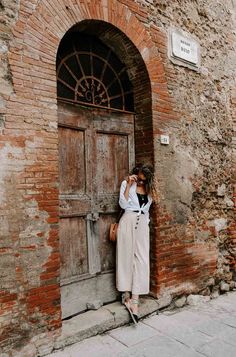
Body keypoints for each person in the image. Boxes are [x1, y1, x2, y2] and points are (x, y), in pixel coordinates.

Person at [116, 163, 158, 323]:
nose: (140, 183)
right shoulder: (127, 184)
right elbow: (123, 204)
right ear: (135, 174)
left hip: (142, 225)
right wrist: (129, 185)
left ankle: (135, 300)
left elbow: (147, 209)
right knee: (125, 258)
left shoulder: (150, 190)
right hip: (127, 221)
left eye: (143, 181)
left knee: (141, 260)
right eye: (138, 179)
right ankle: (126, 294)